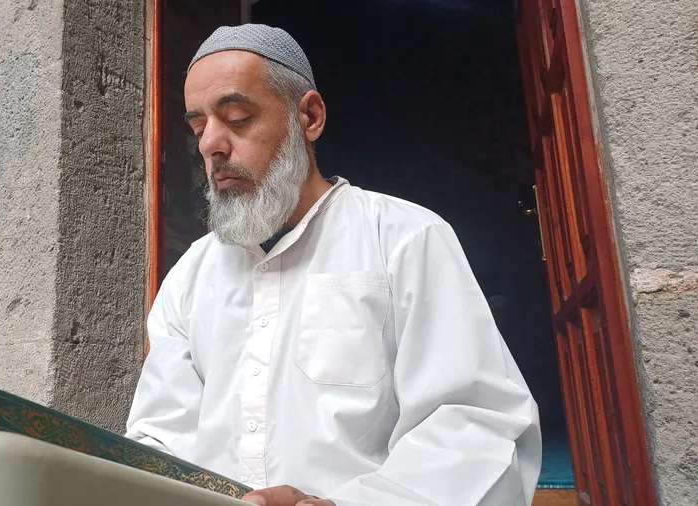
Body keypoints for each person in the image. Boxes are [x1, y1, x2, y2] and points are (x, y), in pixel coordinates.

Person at [125, 23, 542, 506]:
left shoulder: (404, 238)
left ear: (309, 117)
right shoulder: (190, 277)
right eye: (199, 127)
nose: (209, 145)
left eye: (236, 118)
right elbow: (161, 439)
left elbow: (474, 424)